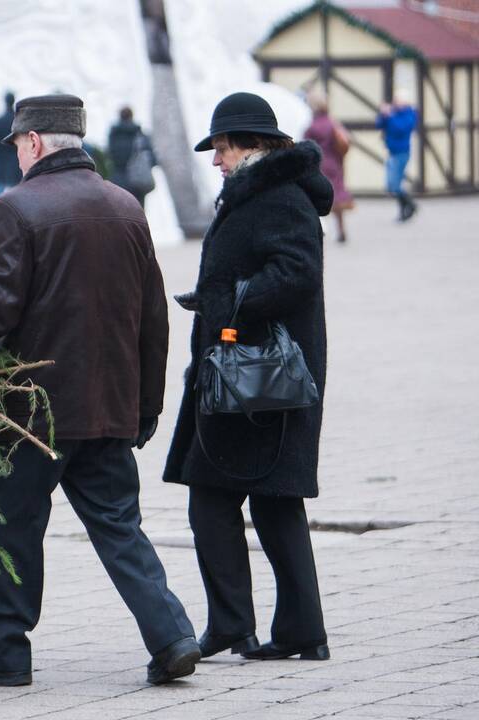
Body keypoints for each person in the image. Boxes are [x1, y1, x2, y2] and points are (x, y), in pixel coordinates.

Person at [0, 94, 199, 687]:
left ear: (31, 142)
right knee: (119, 526)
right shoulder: (126, 207)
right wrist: (146, 405)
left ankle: (4, 651)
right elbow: (153, 317)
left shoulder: (16, 207)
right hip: (108, 408)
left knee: (11, 525)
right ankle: (172, 636)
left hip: (35, 413)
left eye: (17, 145)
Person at [164, 92, 332, 663]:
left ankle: (236, 625)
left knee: (214, 499)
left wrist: (226, 298)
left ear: (253, 144)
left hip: (258, 379)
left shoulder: (278, 197)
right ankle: (299, 631)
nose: (216, 159)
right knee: (273, 501)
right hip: (256, 377)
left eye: (223, 147)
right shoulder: (261, 192)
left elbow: (296, 274)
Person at [304, 89, 354, 243]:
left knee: (315, 197)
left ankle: (316, 230)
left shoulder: (312, 126)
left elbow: (306, 145)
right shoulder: (332, 123)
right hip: (335, 162)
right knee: (336, 195)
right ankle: (341, 230)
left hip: (319, 163)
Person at [376, 91, 418, 222]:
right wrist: (383, 114)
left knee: (395, 184)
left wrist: (389, 116)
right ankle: (406, 209)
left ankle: (410, 205)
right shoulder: (393, 113)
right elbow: (379, 124)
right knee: (392, 184)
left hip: (402, 153)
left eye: (398, 100)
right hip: (392, 152)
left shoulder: (409, 114)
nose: (395, 103)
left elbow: (401, 129)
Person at [107, 106, 157, 208]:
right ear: (132, 116)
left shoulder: (114, 135)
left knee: (121, 214)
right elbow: (153, 160)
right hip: (137, 182)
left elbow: (109, 156)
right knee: (138, 216)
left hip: (117, 182)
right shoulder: (140, 135)